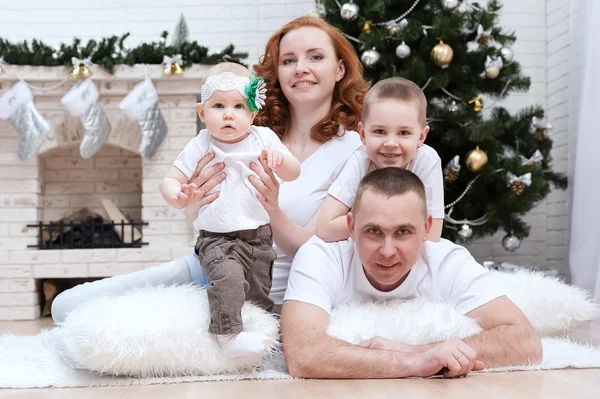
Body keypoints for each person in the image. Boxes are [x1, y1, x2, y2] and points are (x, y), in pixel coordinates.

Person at [51, 16, 370, 323]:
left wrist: (272, 208)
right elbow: (200, 216)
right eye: (288, 60)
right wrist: (194, 201)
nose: (301, 68)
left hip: (264, 288)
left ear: (340, 68)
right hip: (208, 263)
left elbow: (314, 250)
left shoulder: (352, 149)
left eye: (315, 57)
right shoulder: (244, 129)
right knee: (68, 306)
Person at [282, 167, 542, 379]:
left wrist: (418, 350)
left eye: (403, 232)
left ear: (427, 228)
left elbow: (525, 342)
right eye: (373, 231)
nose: (387, 250)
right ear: (351, 226)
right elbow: (302, 354)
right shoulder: (320, 255)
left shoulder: (447, 261)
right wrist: (415, 363)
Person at [160, 62, 301, 357]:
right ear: (202, 113)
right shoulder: (201, 145)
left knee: (258, 291)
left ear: (252, 112)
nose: (228, 114)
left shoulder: (264, 139)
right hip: (217, 238)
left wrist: (281, 160)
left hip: (259, 238)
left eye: (238, 106)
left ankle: (259, 338)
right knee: (229, 279)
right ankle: (227, 336)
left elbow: (293, 173)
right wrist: (177, 195)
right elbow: (171, 179)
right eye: (219, 105)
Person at [316, 77, 444, 243]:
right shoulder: (360, 161)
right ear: (363, 134)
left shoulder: (426, 161)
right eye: (379, 131)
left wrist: (371, 222)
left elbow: (432, 234)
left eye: (403, 133)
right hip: (362, 251)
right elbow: (325, 229)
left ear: (421, 137)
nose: (390, 143)